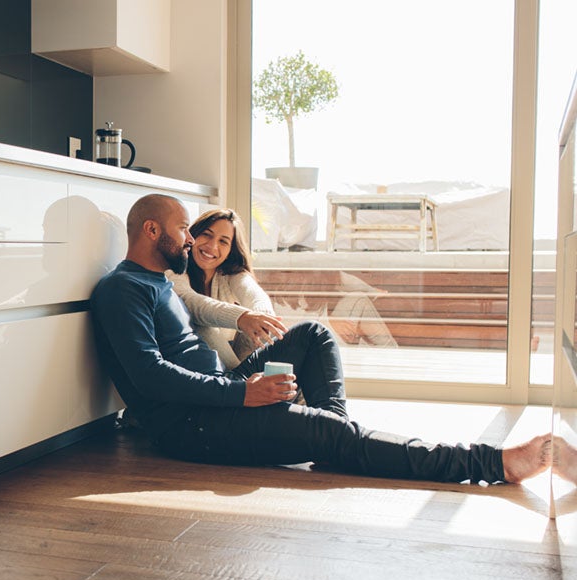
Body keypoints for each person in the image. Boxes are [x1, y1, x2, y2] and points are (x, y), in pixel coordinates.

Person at [90, 193, 550, 484]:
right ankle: (491, 465)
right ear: (152, 231)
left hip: (219, 397)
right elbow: (149, 377)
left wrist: (241, 385)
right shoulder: (121, 289)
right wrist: (241, 395)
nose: (190, 240)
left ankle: (332, 440)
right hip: (192, 427)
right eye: (184, 229)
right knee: (330, 433)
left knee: (314, 334)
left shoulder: (162, 284)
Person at [166, 208, 278, 369]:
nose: (212, 246)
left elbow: (253, 294)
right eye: (207, 234)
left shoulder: (231, 274)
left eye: (223, 241)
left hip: (234, 358)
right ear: (193, 235)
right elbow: (190, 301)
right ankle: (240, 379)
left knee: (314, 331)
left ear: (230, 250)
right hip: (196, 363)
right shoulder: (175, 270)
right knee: (202, 323)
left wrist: (263, 317)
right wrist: (242, 317)